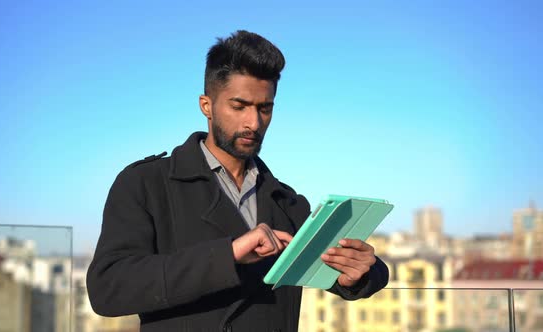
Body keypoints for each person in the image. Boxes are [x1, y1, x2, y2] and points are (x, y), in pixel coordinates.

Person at [87, 30, 389, 332]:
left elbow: (342, 271)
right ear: (206, 105)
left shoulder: (288, 202)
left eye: (264, 108)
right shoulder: (146, 183)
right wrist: (229, 254)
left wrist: (362, 272)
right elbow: (108, 289)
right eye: (239, 106)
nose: (253, 123)